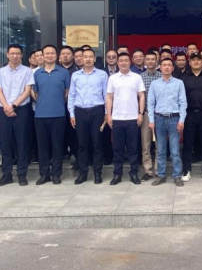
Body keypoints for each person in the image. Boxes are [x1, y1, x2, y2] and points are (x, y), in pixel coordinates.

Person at [0, 44, 35, 186]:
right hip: (4, 110)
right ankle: (7, 174)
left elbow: (27, 91)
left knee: (22, 142)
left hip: (21, 109)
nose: (15, 56)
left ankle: (22, 174)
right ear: (7, 55)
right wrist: (6, 106)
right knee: (5, 143)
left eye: (17, 53)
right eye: (12, 53)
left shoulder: (27, 71)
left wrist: (14, 105)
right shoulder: (1, 72)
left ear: (22, 55)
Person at [67, 48, 108, 184]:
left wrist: (106, 113)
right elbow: (72, 95)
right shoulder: (75, 75)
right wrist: (72, 114)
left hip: (97, 111)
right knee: (82, 144)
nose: (88, 59)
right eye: (85, 57)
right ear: (81, 59)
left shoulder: (102, 74)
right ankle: (83, 173)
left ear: (95, 59)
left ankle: (98, 173)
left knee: (97, 143)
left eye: (91, 57)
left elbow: (106, 95)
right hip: (80, 112)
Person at [32, 45, 70, 185]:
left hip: (58, 114)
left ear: (56, 55)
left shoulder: (64, 72)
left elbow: (66, 93)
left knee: (57, 146)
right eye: (46, 53)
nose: (49, 56)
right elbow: (35, 93)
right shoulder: (37, 73)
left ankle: (56, 174)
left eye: (52, 53)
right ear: (42, 56)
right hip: (40, 115)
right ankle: (44, 174)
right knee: (42, 146)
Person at [106, 53, 145, 185]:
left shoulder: (137, 77)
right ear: (117, 63)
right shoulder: (112, 78)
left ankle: (134, 174)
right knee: (117, 149)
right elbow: (109, 97)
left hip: (133, 118)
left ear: (130, 62)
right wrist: (109, 115)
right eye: (121, 61)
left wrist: (140, 113)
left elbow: (141, 96)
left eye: (126, 60)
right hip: (117, 118)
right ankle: (117, 174)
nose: (123, 63)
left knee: (133, 149)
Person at [148, 58, 187, 186]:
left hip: (174, 118)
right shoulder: (154, 84)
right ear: (160, 67)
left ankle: (177, 175)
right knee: (160, 150)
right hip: (159, 119)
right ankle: (161, 175)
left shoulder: (179, 83)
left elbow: (183, 103)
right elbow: (150, 103)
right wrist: (151, 120)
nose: (166, 67)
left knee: (175, 150)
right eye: (164, 65)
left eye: (169, 65)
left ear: (173, 68)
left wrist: (181, 120)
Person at [181, 53, 202, 181]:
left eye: (198, 60)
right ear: (189, 62)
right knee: (188, 143)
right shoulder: (184, 78)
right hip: (188, 113)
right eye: (193, 60)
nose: (196, 62)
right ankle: (186, 170)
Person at [138, 51, 162, 180]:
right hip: (146, 113)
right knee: (145, 144)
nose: (151, 61)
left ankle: (158, 169)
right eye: (148, 59)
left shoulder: (162, 76)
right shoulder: (139, 77)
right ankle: (148, 170)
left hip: (160, 114)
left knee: (159, 144)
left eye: (153, 59)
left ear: (157, 60)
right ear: (145, 61)